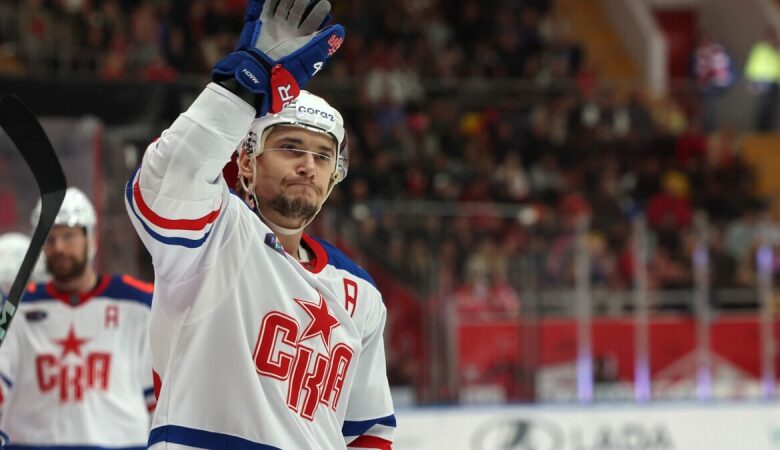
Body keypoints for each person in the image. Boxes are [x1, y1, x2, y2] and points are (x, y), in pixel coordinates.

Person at [125, 0, 395, 448]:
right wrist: (242, 88)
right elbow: (165, 181)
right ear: (247, 161)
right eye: (290, 147)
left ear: (335, 175)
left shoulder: (359, 292)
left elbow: (369, 431)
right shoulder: (213, 234)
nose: (308, 165)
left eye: (323, 156)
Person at [0, 187, 155, 448]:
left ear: (91, 239)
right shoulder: (17, 308)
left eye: (69, 236)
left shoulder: (138, 303)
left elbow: (160, 397)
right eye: (50, 238)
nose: (58, 247)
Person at [745, 27, 780, 131]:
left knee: (771, 109)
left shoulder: (777, 49)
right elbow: (752, 65)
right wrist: (751, 82)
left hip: (775, 83)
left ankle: (767, 132)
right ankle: (760, 131)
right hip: (762, 82)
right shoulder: (760, 49)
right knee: (763, 108)